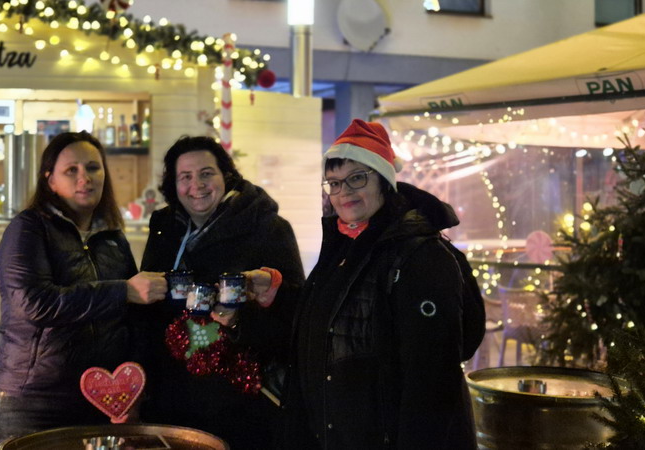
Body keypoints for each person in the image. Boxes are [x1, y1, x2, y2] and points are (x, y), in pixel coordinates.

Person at [280, 119, 477, 449]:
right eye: (334, 183)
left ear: (384, 181)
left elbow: (432, 381)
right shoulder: (344, 246)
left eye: (357, 178)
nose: (344, 192)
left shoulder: (420, 256)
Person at [0, 131, 167, 445]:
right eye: (71, 170)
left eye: (93, 168)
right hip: (35, 402)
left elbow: (133, 317)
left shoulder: (112, 237)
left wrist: (134, 384)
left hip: (102, 399)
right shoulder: (29, 227)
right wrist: (121, 291)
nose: (84, 178)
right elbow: (33, 303)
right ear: (50, 181)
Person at [139, 135, 305, 449]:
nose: (196, 185)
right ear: (173, 185)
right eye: (185, 177)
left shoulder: (267, 228)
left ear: (226, 176)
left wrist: (240, 321)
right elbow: (150, 315)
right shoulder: (165, 229)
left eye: (206, 173)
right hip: (171, 400)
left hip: (240, 403)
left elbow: (295, 317)